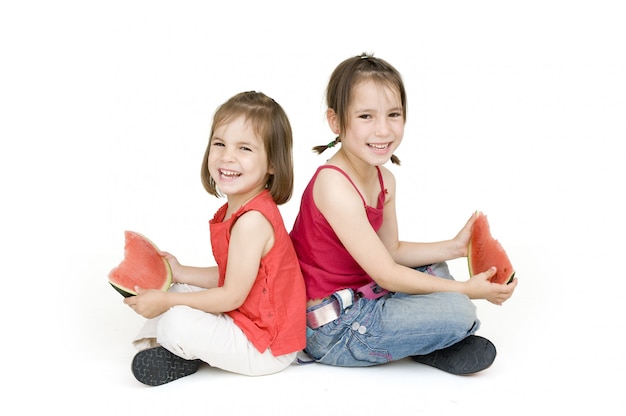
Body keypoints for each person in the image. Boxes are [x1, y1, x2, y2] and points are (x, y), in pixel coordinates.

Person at [289, 53, 518, 375]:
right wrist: (467, 289)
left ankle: (421, 337)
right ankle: (434, 338)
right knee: (459, 310)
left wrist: (455, 246)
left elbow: (391, 251)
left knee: (433, 265)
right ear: (336, 121)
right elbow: (386, 272)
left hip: (367, 295)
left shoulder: (385, 179)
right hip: (336, 328)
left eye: (393, 114)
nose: (383, 130)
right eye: (366, 116)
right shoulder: (333, 185)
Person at [123, 91, 306, 386]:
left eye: (244, 148)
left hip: (267, 347)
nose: (227, 156)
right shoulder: (237, 209)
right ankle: (168, 349)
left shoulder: (252, 221)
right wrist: (180, 273)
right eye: (219, 144)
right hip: (245, 322)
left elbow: (231, 295)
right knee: (181, 288)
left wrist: (165, 301)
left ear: (273, 163)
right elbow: (232, 277)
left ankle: (173, 349)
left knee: (175, 317)